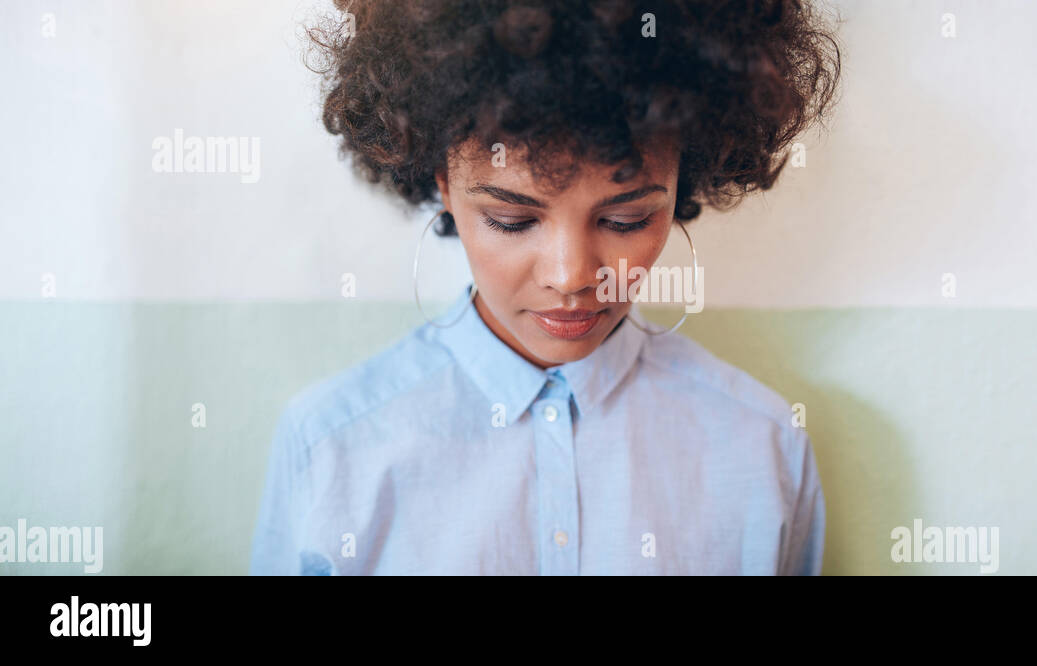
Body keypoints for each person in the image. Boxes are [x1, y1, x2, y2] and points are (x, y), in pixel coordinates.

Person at [251, 0, 842, 574]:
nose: (572, 277)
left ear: (683, 183)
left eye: (626, 220)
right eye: (513, 221)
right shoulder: (331, 446)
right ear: (444, 188)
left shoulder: (765, 450)